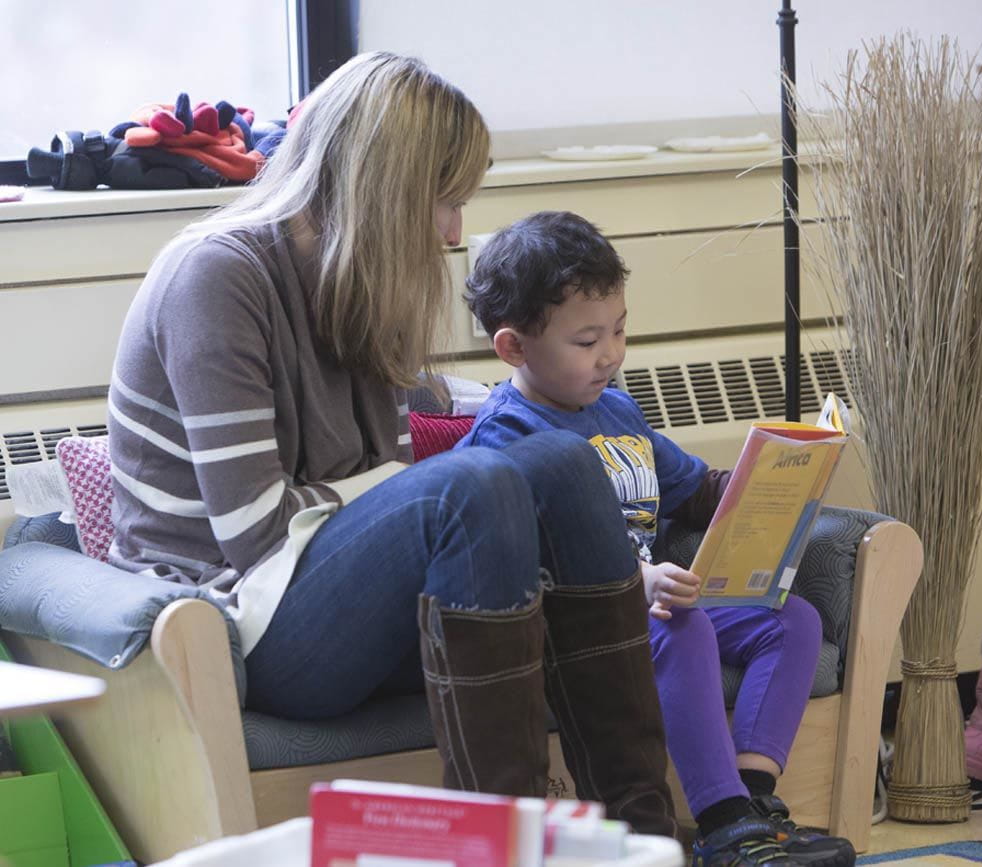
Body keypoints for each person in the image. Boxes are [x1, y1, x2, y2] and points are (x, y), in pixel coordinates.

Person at [105, 53, 679, 837]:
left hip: (338, 594)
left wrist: (506, 409)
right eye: (443, 202)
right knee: (470, 484)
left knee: (557, 457)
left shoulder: (352, 279)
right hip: (250, 619)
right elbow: (255, 530)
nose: (454, 233)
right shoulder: (216, 277)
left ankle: (640, 833)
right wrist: (396, 476)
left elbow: (421, 404)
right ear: (378, 185)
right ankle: (500, 844)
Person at [456, 210, 858, 867]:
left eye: (618, 329)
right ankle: (720, 821)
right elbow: (512, 551)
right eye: (586, 340)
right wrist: (632, 582)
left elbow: (695, 489)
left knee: (790, 621)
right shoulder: (508, 433)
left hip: (654, 600)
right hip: (574, 623)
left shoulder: (618, 408)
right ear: (513, 348)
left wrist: (780, 479)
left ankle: (754, 800)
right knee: (683, 626)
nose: (610, 353)